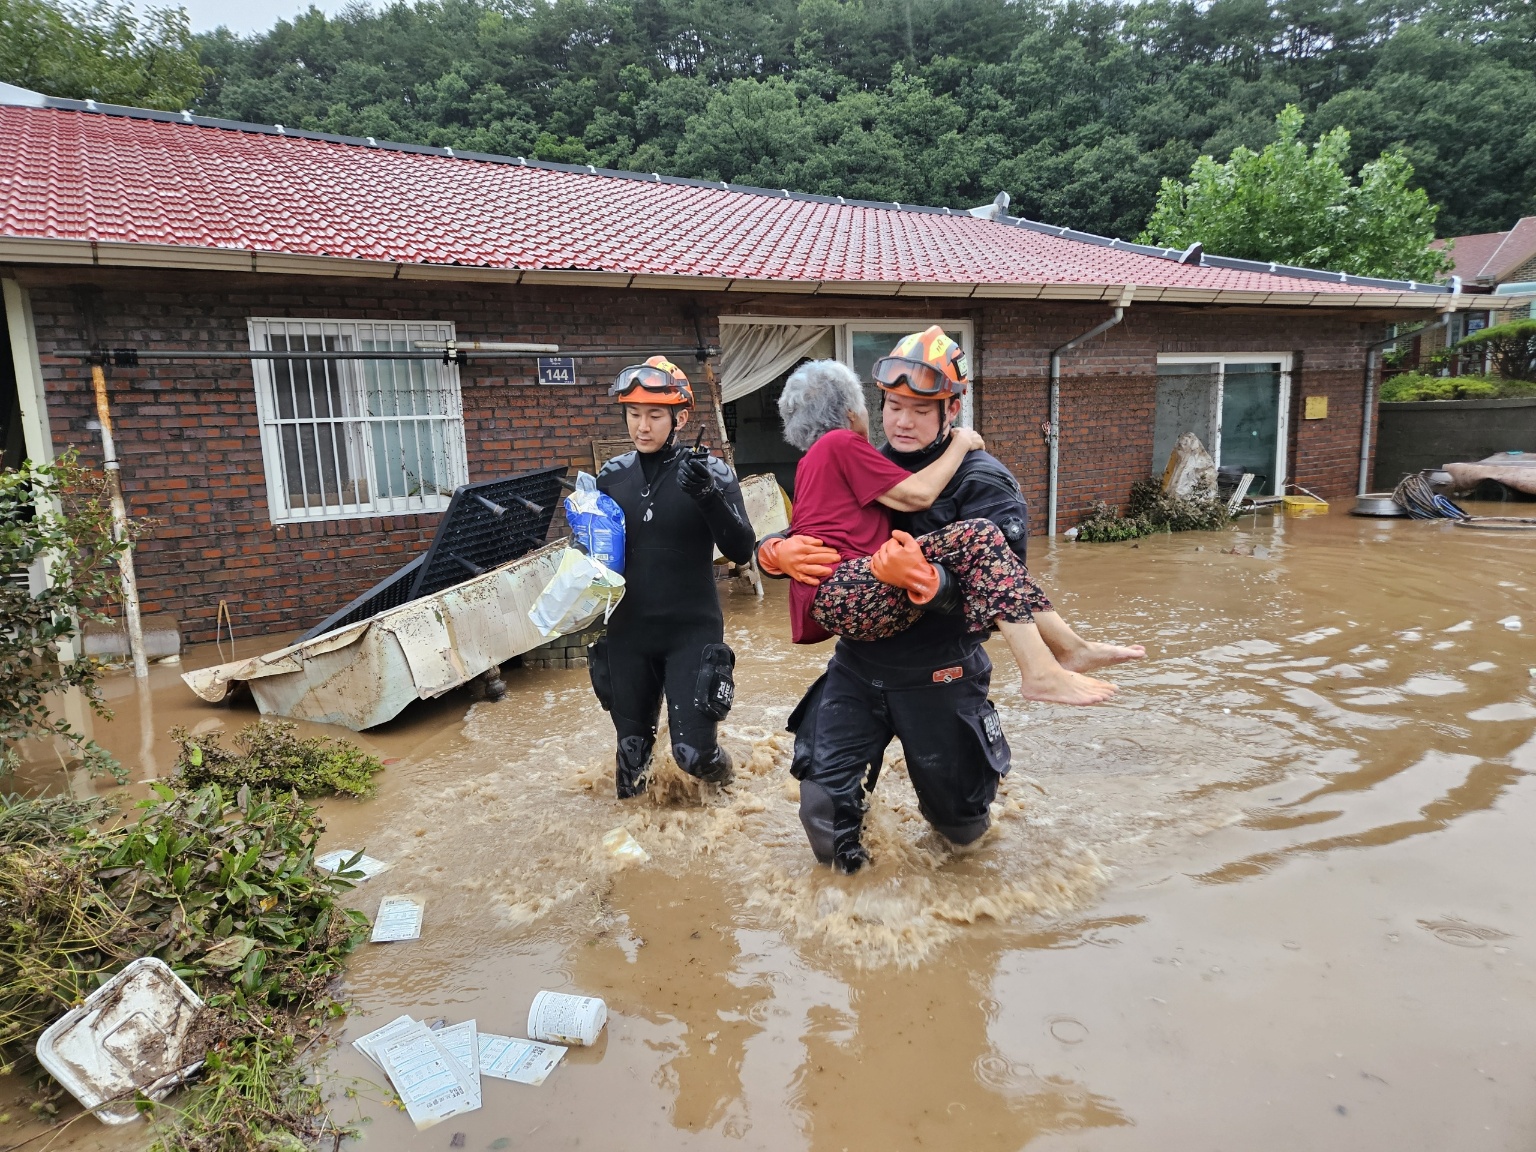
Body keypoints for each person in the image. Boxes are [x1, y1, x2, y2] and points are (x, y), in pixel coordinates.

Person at [758, 331, 1143, 873]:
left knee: (960, 831)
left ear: (953, 409)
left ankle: (963, 914)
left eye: (919, 410)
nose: (902, 422)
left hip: (940, 672)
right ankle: (857, 915)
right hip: (859, 665)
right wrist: (773, 550)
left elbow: (1002, 587)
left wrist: (930, 581)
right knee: (822, 807)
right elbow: (819, 529)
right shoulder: (869, 456)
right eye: (893, 406)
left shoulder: (984, 481)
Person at [587, 356, 756, 799]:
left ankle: (729, 787)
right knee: (631, 763)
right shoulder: (612, 477)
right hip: (628, 633)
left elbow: (742, 549)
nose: (642, 427)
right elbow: (595, 553)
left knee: (693, 755)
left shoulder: (711, 472)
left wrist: (707, 496)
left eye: (655, 415)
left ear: (680, 417)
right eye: (633, 414)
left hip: (691, 631)